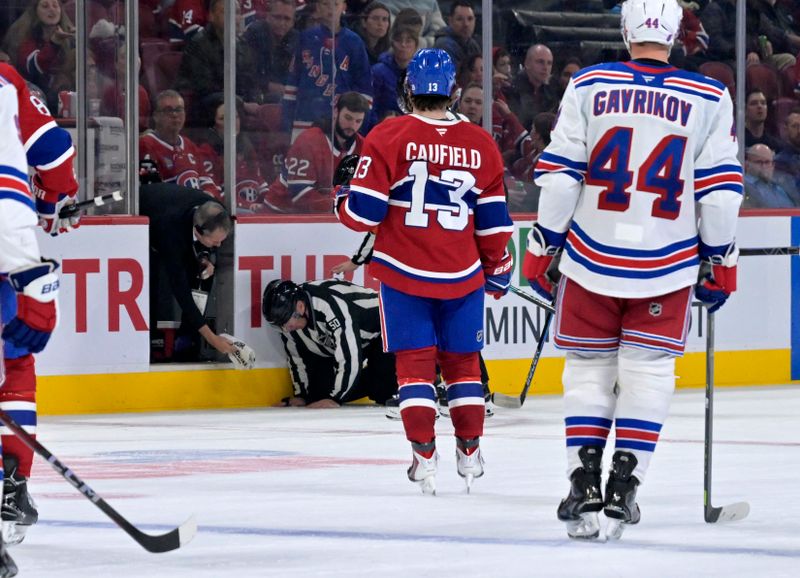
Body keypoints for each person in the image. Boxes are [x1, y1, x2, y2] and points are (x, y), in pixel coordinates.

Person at [522, 0, 743, 541]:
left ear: (625, 29)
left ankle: (583, 484)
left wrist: (541, 247)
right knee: (648, 373)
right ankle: (625, 486)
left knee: (587, 374)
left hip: (590, 258)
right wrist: (722, 262)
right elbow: (719, 197)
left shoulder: (589, 85)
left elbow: (560, 178)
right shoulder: (710, 95)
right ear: (676, 34)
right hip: (665, 266)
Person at [336, 48, 513, 494]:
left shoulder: (388, 134)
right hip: (462, 274)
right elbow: (492, 224)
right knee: (464, 367)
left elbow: (365, 214)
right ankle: (470, 455)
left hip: (404, 273)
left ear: (408, 89)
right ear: (453, 92)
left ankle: (423, 458)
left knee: (414, 369)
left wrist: (341, 196)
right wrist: (498, 267)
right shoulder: (481, 143)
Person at [0, 57, 80, 577]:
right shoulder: (6, 77)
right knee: (16, 360)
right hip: (7, 233)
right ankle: (12, 479)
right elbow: (54, 151)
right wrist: (55, 200)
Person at [139, 183, 239, 362]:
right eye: (215, 242)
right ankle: (149, 345)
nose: (219, 245)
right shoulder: (171, 234)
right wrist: (213, 339)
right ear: (198, 232)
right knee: (155, 281)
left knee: (202, 272)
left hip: (174, 207)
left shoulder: (216, 211)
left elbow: (207, 245)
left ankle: (188, 340)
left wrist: (206, 256)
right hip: (144, 213)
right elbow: (181, 293)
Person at [261, 279, 398, 408]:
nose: (285, 329)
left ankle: (381, 380)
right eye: (279, 326)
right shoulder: (288, 323)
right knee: (318, 395)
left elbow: (349, 354)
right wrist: (302, 395)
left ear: (300, 307)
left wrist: (336, 398)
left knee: (383, 391)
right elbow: (297, 357)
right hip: (350, 341)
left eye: (286, 323)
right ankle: (371, 380)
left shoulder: (329, 304)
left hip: (382, 331)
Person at [281, 0, 373, 140]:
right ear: (318, 7)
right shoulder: (306, 38)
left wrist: (361, 124)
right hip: (305, 118)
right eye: (325, 3)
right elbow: (293, 82)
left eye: (336, 4)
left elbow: (364, 87)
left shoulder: (354, 42)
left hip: (342, 122)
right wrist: (287, 121)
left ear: (344, 6)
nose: (331, 9)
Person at [265, 91, 368, 213]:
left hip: (325, 218)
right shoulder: (309, 140)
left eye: (358, 121)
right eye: (348, 118)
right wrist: (341, 208)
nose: (352, 126)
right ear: (336, 112)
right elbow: (299, 192)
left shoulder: (362, 146)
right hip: (279, 213)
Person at [139, 90, 222, 199]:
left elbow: (208, 184)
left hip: (196, 209)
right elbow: (152, 192)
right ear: (156, 116)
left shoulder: (189, 145)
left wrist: (208, 195)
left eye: (178, 110)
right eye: (168, 110)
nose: (175, 115)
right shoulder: (146, 144)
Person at [196, 97, 269, 213]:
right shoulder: (206, 151)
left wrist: (268, 203)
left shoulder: (247, 147)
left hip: (253, 210)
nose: (232, 122)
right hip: (228, 212)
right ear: (213, 124)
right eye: (223, 118)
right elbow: (212, 192)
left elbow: (259, 181)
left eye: (236, 117)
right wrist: (244, 206)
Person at [2, 0, 76, 113]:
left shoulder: (71, 39)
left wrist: (83, 41)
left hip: (66, 105)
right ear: (35, 11)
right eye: (45, 6)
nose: (51, 9)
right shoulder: (24, 38)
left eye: (55, 6)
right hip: (34, 103)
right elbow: (33, 66)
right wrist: (54, 42)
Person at [504, 43, 558, 132]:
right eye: (540, 62)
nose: (545, 67)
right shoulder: (512, 90)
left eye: (549, 63)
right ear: (527, 63)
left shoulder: (551, 95)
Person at [370, 25, 419, 122]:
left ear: (416, 46)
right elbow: (371, 107)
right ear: (392, 44)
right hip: (385, 127)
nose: (403, 45)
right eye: (399, 40)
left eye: (408, 41)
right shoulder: (378, 72)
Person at [743, 143, 799, 208]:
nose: (764, 166)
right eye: (759, 162)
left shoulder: (782, 184)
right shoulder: (744, 186)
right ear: (747, 165)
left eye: (767, 162)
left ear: (773, 165)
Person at [433, 0, 480, 70]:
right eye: (460, 19)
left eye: (470, 19)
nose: (466, 24)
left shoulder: (472, 44)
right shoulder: (444, 45)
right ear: (450, 21)